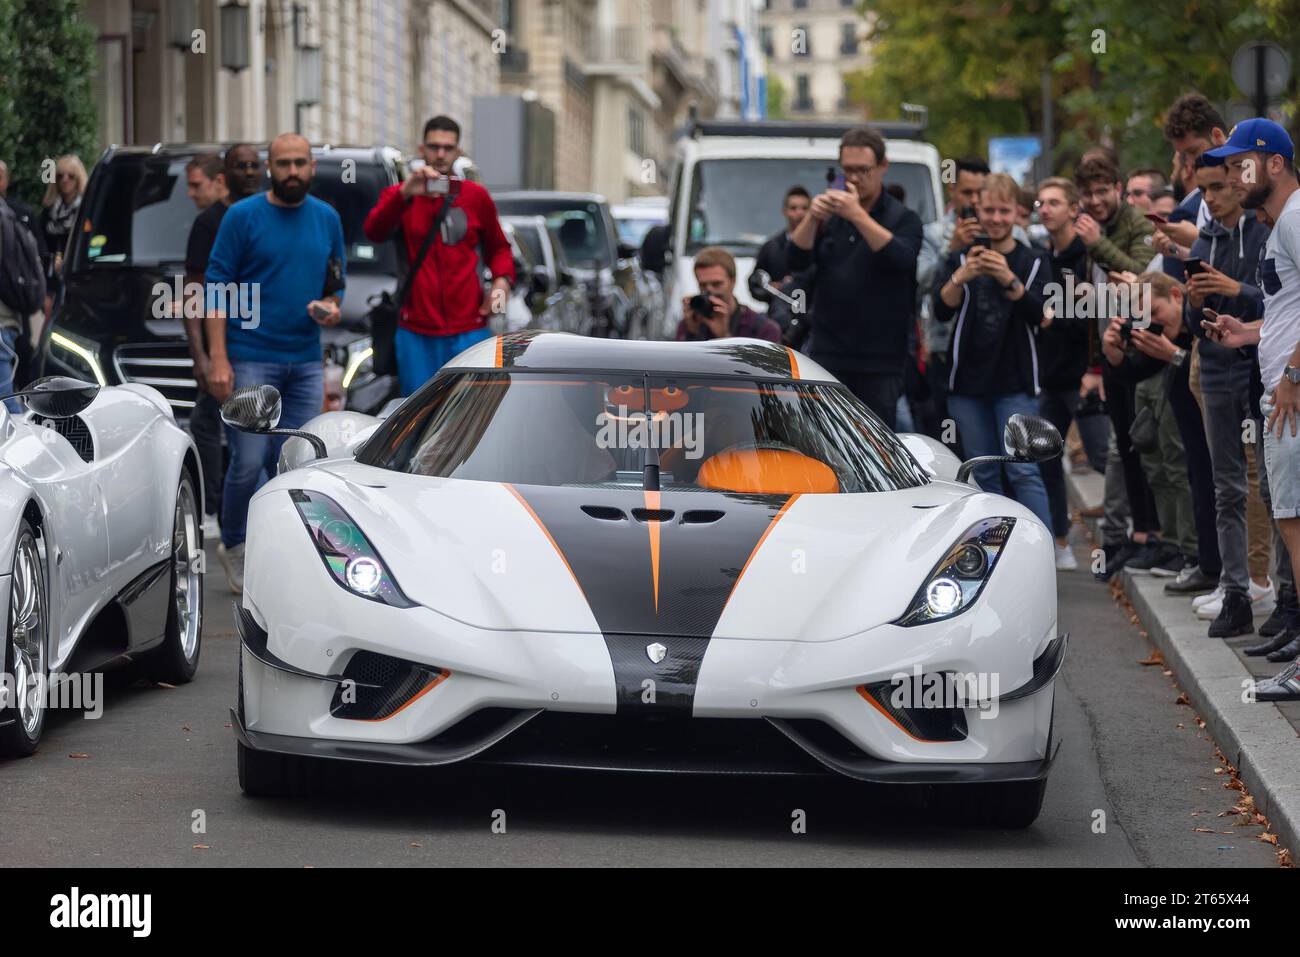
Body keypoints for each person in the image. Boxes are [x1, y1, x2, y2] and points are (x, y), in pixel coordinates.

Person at [204, 133, 346, 595]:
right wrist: (219, 358)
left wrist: (330, 306)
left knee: (301, 462)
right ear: (269, 166)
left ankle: (291, 551)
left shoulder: (328, 217)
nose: (291, 171)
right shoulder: (242, 217)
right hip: (251, 357)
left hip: (304, 361)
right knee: (246, 461)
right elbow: (217, 287)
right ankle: (237, 545)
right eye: (282, 163)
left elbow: (335, 282)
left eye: (299, 163)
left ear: (311, 167)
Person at [1199, 120, 1300, 690]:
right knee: (1291, 519)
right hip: (1284, 391)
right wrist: (1248, 333)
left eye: (1244, 164)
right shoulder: (1284, 222)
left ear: (1276, 164)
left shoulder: (1294, 217)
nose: (1236, 175)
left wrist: (1292, 373)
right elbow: (1290, 312)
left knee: (1292, 522)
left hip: (1292, 398)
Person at [1182, 153, 1273, 632]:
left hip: (1257, 370)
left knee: (1265, 482)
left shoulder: (1266, 231)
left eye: (1217, 187)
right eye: (1203, 190)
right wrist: (1195, 302)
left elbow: (1277, 302)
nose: (1210, 198)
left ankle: (1263, 584)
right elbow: (1188, 324)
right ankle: (1234, 585)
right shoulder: (1205, 237)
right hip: (1215, 369)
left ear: (1239, 184)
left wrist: (1233, 287)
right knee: (1226, 483)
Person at [932, 172, 1052, 530]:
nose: (996, 219)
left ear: (1016, 212)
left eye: (1004, 211)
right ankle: (991, 554)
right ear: (976, 212)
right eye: (989, 211)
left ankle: (1039, 547)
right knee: (981, 471)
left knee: (1023, 472)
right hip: (967, 383)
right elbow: (940, 310)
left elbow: (1042, 317)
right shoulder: (960, 257)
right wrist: (962, 274)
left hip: (1015, 382)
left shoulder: (1032, 260)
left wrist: (1007, 279)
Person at [364, 115, 514, 397]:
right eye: (434, 147)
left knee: (474, 412)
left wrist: (501, 285)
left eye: (448, 147)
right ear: (422, 150)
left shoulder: (475, 196)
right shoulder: (400, 194)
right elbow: (374, 230)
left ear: (457, 151)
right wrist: (407, 193)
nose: (441, 154)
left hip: (470, 327)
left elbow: (500, 247)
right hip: (416, 330)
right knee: (417, 416)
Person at [788, 127, 923, 428]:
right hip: (829, 352)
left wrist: (857, 215)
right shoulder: (830, 216)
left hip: (881, 360)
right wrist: (811, 217)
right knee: (825, 441)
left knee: (877, 447)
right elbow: (794, 261)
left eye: (863, 170)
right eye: (848, 170)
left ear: (882, 167)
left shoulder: (903, 218)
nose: (855, 178)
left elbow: (902, 259)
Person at [183, 144, 264, 529]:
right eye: (240, 167)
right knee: (216, 425)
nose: (248, 173)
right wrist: (204, 356)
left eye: (254, 166)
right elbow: (195, 291)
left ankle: (251, 515)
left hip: (269, 343)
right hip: (228, 347)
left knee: (263, 437)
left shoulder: (273, 213)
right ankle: (217, 512)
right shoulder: (211, 222)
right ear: (225, 176)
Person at [1101, 273, 1201, 579]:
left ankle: (1192, 551)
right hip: (1160, 397)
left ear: (1176, 295)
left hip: (1195, 409)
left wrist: (1172, 353)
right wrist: (1113, 351)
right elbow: (1135, 370)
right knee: (1157, 466)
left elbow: (1208, 366)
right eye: (1144, 316)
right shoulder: (1160, 330)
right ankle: (1171, 544)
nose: (1152, 322)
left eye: (1155, 312)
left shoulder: (1197, 320)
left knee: (1179, 468)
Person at [1035, 177, 1110, 568]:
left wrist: (1057, 317)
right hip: (1052, 376)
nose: (1045, 209)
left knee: (1104, 456)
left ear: (1072, 209)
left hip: (1086, 375)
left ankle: (1126, 537)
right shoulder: (1042, 256)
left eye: (1054, 202)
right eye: (1041, 202)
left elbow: (1092, 316)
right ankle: (1060, 540)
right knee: (1045, 457)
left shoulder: (1087, 257)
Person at [0, 160, 48, 391]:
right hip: (10, 316)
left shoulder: (17, 215)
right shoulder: (11, 215)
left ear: (6, 181)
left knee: (6, 402)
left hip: (6, 316)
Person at [676, 246, 781, 342]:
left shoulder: (763, 329)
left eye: (716, 284)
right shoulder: (691, 323)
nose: (709, 291)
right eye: (703, 285)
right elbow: (679, 361)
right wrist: (692, 332)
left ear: (733, 281)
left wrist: (724, 337)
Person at [38, 154, 87, 313]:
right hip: (53, 276)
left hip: (80, 275)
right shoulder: (49, 211)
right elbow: (41, 244)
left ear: (78, 178)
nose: (65, 180)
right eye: (60, 176)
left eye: (70, 176)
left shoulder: (86, 210)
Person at [749, 186, 810, 304]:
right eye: (793, 208)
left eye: (805, 208)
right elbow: (756, 282)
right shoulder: (771, 248)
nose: (800, 213)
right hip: (780, 315)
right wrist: (769, 289)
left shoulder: (822, 245)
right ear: (785, 211)